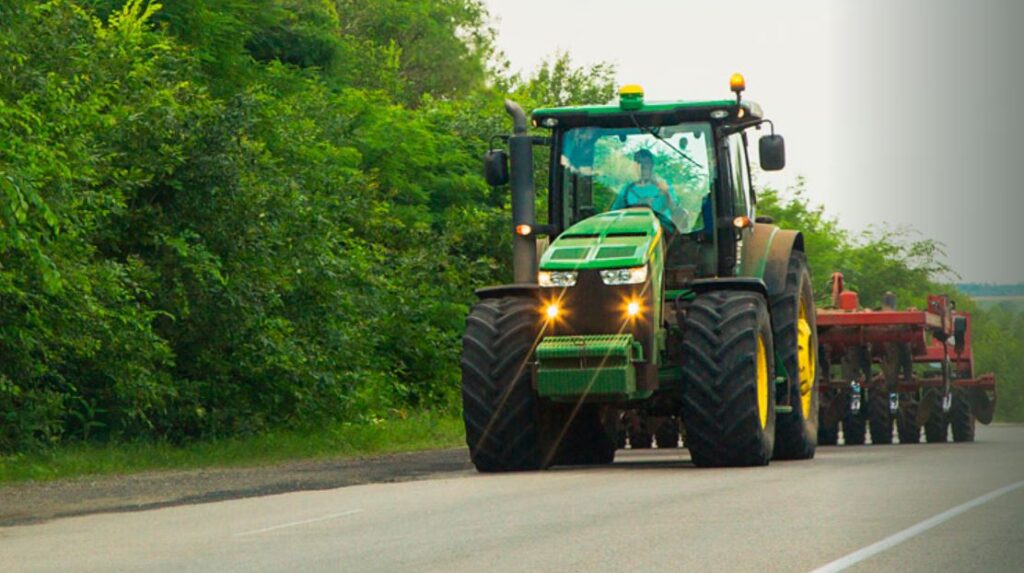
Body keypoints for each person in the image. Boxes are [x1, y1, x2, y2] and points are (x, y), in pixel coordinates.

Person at [611, 148, 687, 231]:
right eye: (639, 163)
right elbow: (614, 215)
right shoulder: (626, 190)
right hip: (633, 231)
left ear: (651, 165)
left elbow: (675, 210)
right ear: (635, 166)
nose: (643, 167)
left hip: (662, 232)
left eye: (646, 163)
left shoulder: (664, 186)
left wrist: (666, 193)